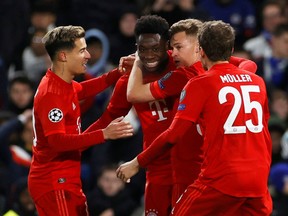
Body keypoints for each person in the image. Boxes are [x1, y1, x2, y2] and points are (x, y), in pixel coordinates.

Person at [117, 20, 272, 215]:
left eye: (178, 47)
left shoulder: (199, 82)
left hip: (219, 179)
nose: (173, 53)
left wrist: (137, 163)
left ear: (201, 50)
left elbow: (172, 134)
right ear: (231, 48)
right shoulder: (257, 81)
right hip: (258, 180)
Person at [27, 25, 134, 216]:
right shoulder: (51, 94)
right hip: (53, 181)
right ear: (63, 56)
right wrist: (104, 134)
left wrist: (117, 73)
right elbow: (57, 141)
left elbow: (83, 90)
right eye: (82, 50)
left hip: (66, 178)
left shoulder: (63, 84)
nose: (88, 56)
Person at [86, 15, 177, 215]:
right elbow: (107, 119)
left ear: (167, 45)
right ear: (136, 46)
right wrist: (77, 142)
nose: (150, 55)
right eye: (143, 49)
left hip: (188, 163)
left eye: (156, 48)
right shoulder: (128, 79)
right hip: (156, 166)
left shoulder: (183, 67)